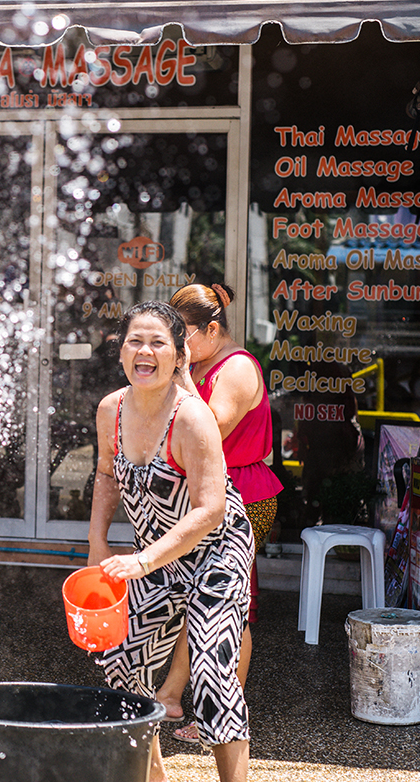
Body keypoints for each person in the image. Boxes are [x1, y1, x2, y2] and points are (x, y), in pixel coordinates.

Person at [88, 301, 253, 782]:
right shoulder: (110, 410)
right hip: (155, 558)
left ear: (180, 355)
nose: (145, 351)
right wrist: (98, 541)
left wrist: (144, 559)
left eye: (158, 342)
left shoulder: (192, 418)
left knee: (210, 677)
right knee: (120, 660)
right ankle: (152, 775)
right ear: (121, 351)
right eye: (135, 341)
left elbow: (211, 509)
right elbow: (105, 474)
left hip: (215, 553)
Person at [158, 283, 283, 742]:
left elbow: (209, 428)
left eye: (181, 334)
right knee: (194, 596)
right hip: (207, 492)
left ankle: (223, 717)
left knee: (229, 603)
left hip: (244, 495)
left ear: (212, 329)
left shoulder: (237, 368)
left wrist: (182, 374)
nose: (174, 344)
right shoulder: (204, 360)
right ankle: (171, 696)